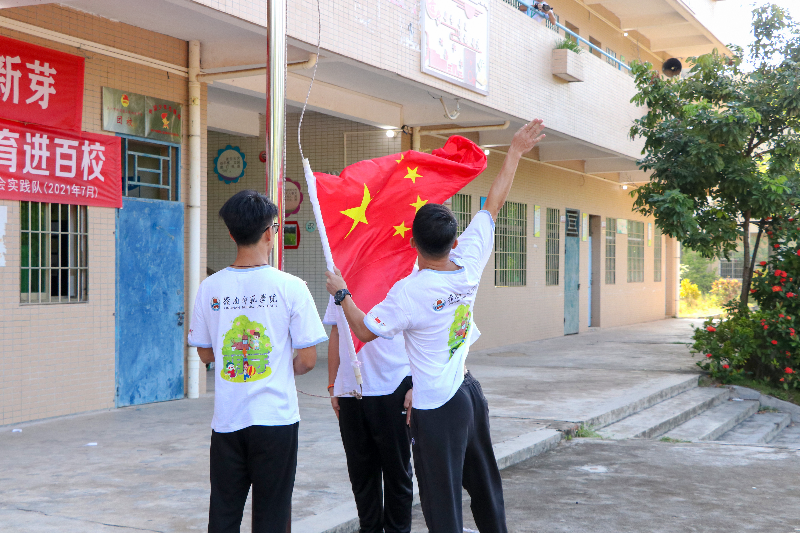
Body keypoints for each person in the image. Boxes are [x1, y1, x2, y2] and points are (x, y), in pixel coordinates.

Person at [325, 119, 546, 533]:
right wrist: (514, 151)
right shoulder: (469, 262)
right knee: (484, 485)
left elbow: (365, 330)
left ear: (413, 243)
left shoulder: (410, 291)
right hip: (468, 393)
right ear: (453, 238)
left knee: (441, 505)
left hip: (434, 409)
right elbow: (493, 203)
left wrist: (342, 293)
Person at [189, 190, 327, 533]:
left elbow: (205, 353)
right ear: (270, 232)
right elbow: (308, 360)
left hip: (228, 420)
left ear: (232, 234)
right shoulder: (292, 287)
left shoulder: (210, 288)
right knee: (273, 514)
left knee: (223, 512)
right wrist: (278, 367)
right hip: (276, 420)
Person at [325, 295, 414, 533]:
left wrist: (418, 384)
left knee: (397, 474)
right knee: (361, 476)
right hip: (351, 392)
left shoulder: (407, 274)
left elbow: (424, 334)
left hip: (394, 386)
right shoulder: (343, 276)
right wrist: (334, 385)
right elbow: (337, 333)